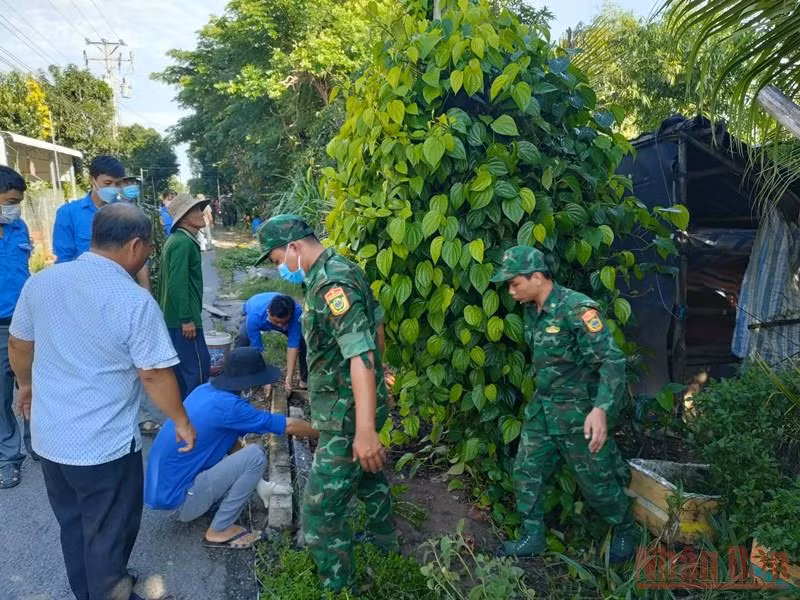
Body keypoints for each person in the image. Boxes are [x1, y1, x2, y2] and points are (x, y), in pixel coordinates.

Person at [8, 203, 196, 600]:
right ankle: (110, 591)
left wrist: (25, 386)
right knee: (110, 530)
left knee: (74, 525)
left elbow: (19, 343)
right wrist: (180, 419)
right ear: (135, 245)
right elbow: (153, 373)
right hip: (102, 447)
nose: (146, 257)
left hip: (50, 440)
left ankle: (90, 589)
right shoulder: (132, 300)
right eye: (147, 249)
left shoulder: (42, 282)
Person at [255, 214, 395, 593]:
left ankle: (339, 587)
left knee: (319, 516)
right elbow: (376, 327)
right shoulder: (339, 268)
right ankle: (386, 544)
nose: (279, 267)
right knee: (368, 476)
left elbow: (361, 350)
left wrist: (364, 428)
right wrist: (376, 375)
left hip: (347, 414)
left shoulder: (331, 283)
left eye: (276, 259)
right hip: (356, 403)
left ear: (295, 247)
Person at [490, 245, 636, 564]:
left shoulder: (577, 310)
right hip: (543, 411)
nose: (510, 290)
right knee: (526, 471)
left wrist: (601, 410)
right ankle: (532, 536)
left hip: (579, 415)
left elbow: (611, 361)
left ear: (538, 277)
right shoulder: (531, 310)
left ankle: (626, 530)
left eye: (514, 283)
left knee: (597, 485)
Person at [145, 347, 318, 549]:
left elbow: (229, 440)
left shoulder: (205, 391)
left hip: (162, 491)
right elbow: (288, 425)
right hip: (179, 502)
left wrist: (259, 483)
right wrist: (323, 433)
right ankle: (219, 530)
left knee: (246, 453)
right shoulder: (232, 408)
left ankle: (210, 506)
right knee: (255, 455)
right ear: (250, 383)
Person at [52, 155, 150, 290]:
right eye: (108, 183)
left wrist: (146, 289)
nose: (114, 188)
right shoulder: (68, 214)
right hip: (83, 289)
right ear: (93, 180)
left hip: (120, 288)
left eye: (118, 183)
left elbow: (138, 254)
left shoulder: (126, 213)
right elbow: (64, 261)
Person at [157, 193, 211, 399]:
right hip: (183, 319)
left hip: (173, 318)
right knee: (198, 368)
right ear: (185, 217)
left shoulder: (179, 240)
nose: (202, 213)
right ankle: (194, 418)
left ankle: (183, 414)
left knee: (182, 370)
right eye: (197, 210)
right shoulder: (183, 243)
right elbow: (177, 283)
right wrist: (186, 318)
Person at [0, 166, 31, 489]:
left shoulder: (18, 227)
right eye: (10, 201)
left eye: (18, 202)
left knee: (33, 385)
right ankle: (9, 458)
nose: (14, 207)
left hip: (25, 322)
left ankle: (38, 442)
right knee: (1, 397)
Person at [236, 293, 307, 393]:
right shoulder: (255, 316)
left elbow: (293, 345)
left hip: (283, 318)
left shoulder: (296, 313)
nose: (279, 326)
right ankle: (237, 374)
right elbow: (257, 348)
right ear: (269, 312)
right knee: (243, 337)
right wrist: (265, 378)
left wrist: (289, 378)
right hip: (254, 310)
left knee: (303, 341)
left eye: (283, 322)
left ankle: (304, 379)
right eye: (276, 322)